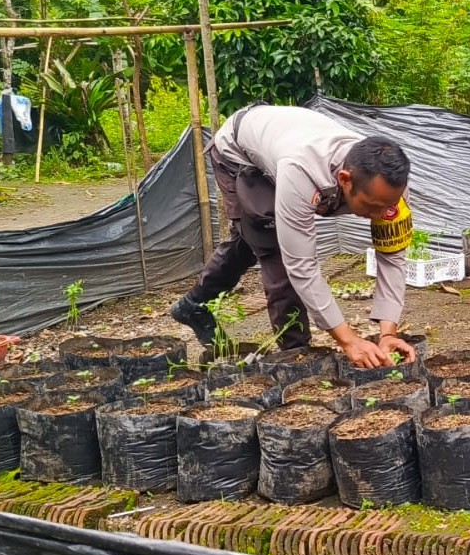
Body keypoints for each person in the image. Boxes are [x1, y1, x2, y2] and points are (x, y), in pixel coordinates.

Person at [171, 104, 416, 368]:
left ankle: (193, 303)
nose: (381, 214)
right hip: (238, 153)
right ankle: (297, 356)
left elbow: (392, 256)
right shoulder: (301, 171)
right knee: (271, 243)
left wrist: (388, 333)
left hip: (282, 141)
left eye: (388, 206)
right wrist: (348, 340)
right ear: (345, 180)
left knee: (252, 236)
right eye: (372, 206)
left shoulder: (390, 189)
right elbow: (301, 265)